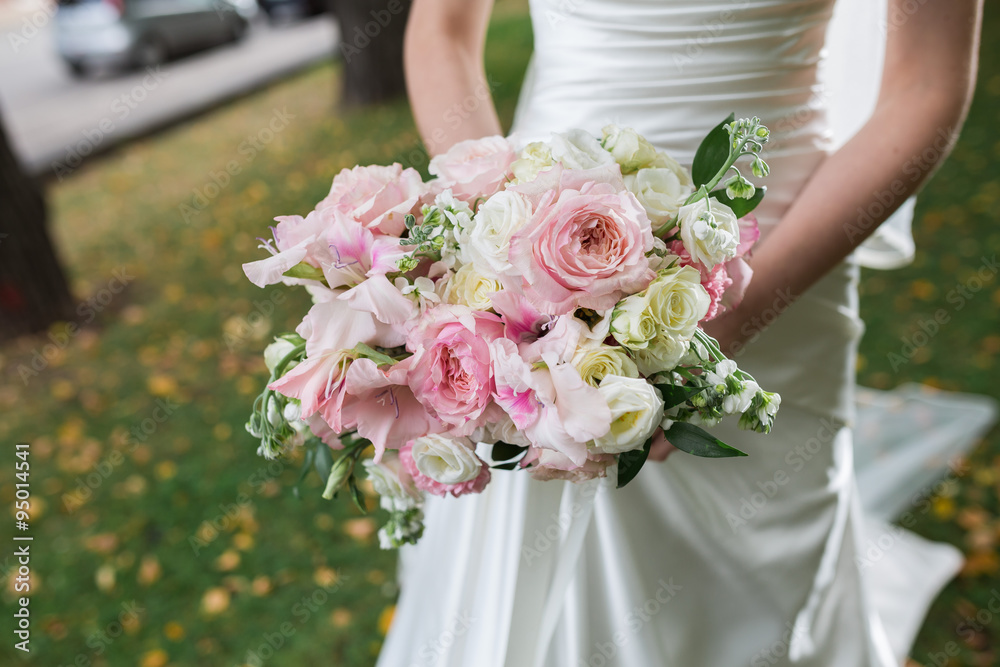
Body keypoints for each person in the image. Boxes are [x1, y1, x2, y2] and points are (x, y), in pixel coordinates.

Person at [377, 0, 986, 665]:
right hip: (535, 240)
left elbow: (926, 86)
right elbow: (441, 29)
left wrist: (738, 317)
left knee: (760, 562)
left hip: (781, 238)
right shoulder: (513, 246)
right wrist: (490, 220)